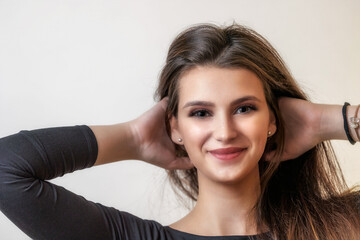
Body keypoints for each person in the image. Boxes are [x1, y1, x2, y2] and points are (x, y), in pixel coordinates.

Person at [0, 23, 359, 240]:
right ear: (174, 127)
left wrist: (336, 120)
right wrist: (134, 139)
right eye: (201, 113)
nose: (224, 131)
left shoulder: (339, 227)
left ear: (273, 120)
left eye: (244, 108)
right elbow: (7, 169)